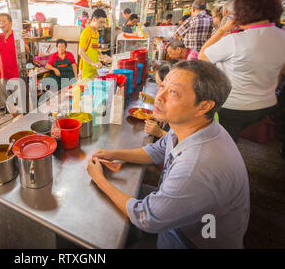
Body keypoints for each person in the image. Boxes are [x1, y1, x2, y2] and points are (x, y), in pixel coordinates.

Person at [88, 60, 250, 249]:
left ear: (204, 106)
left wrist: (99, 179)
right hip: (182, 222)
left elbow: (146, 218)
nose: (158, 97)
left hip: (189, 240)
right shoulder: (189, 125)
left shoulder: (196, 167)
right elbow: (156, 151)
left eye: (173, 92)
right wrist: (113, 153)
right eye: (162, 86)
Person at [198, 0, 285, 142]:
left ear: (243, 11)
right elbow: (279, 73)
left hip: (232, 107)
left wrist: (223, 30)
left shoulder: (236, 40)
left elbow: (202, 56)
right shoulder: (282, 36)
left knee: (224, 140)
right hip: (266, 105)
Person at [140, 60, 179, 138]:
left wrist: (160, 133)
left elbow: (181, 141)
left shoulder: (180, 112)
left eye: (161, 86)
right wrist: (152, 101)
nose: (158, 90)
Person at [78, 9, 111, 80]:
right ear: (94, 19)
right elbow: (81, 52)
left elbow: (95, 50)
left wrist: (104, 57)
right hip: (85, 69)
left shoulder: (96, 33)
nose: (102, 25)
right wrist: (92, 63)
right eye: (100, 22)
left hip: (95, 68)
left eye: (103, 23)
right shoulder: (85, 32)